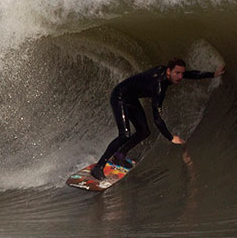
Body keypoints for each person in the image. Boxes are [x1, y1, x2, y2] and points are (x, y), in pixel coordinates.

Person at [89, 58, 224, 180]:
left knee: (144, 131)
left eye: (181, 73)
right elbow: (157, 118)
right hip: (119, 97)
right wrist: (171, 137)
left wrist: (213, 74)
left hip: (130, 98)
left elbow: (189, 74)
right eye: (177, 73)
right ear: (169, 71)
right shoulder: (159, 86)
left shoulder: (166, 73)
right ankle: (99, 167)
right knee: (124, 135)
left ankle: (120, 156)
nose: (180, 77)